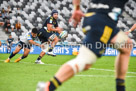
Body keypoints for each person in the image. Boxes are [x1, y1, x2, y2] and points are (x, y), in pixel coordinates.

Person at [36, 0, 133, 91]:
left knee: (127, 45)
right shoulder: (50, 19)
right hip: (103, 23)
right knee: (85, 62)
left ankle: (120, 88)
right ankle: (48, 87)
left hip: (94, 18)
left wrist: (77, 8)